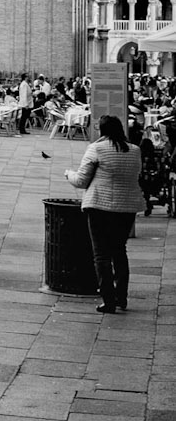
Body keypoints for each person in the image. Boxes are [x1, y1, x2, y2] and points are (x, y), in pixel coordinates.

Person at [67, 114, 143, 313]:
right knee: (119, 250)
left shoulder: (96, 148)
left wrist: (68, 173)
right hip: (126, 207)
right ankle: (121, 297)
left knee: (101, 254)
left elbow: (81, 181)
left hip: (100, 207)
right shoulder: (135, 150)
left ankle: (108, 299)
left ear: (102, 131)